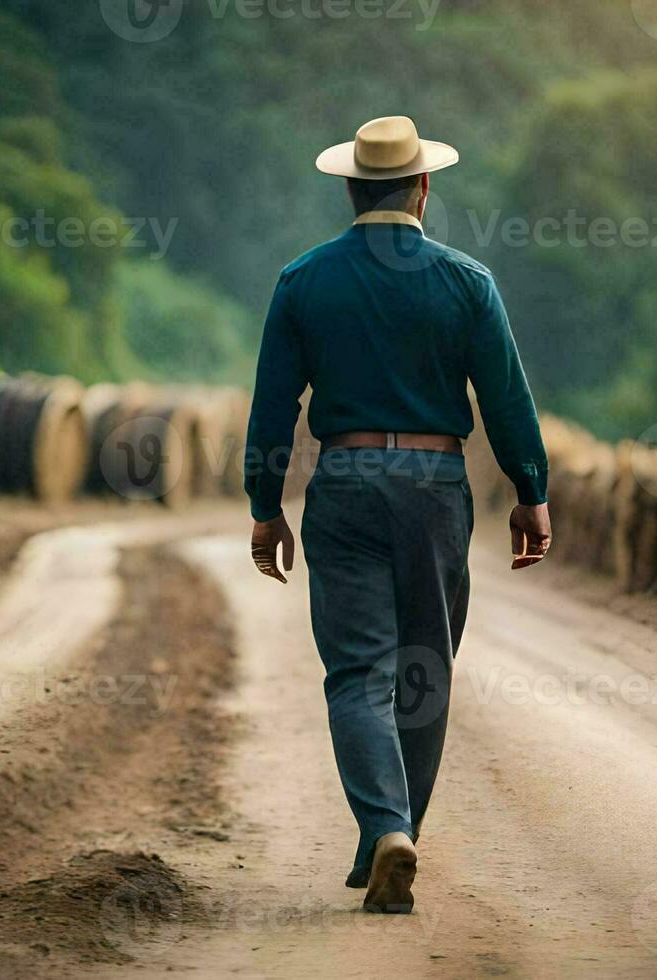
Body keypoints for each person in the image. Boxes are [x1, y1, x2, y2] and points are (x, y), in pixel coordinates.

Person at [243, 115, 551, 914]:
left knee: (356, 673)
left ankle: (384, 830)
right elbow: (506, 398)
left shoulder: (302, 280)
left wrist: (264, 506)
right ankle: (396, 825)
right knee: (424, 668)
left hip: (342, 481)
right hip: (435, 485)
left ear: (350, 189)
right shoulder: (467, 282)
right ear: (423, 186)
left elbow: (274, 403)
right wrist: (531, 491)